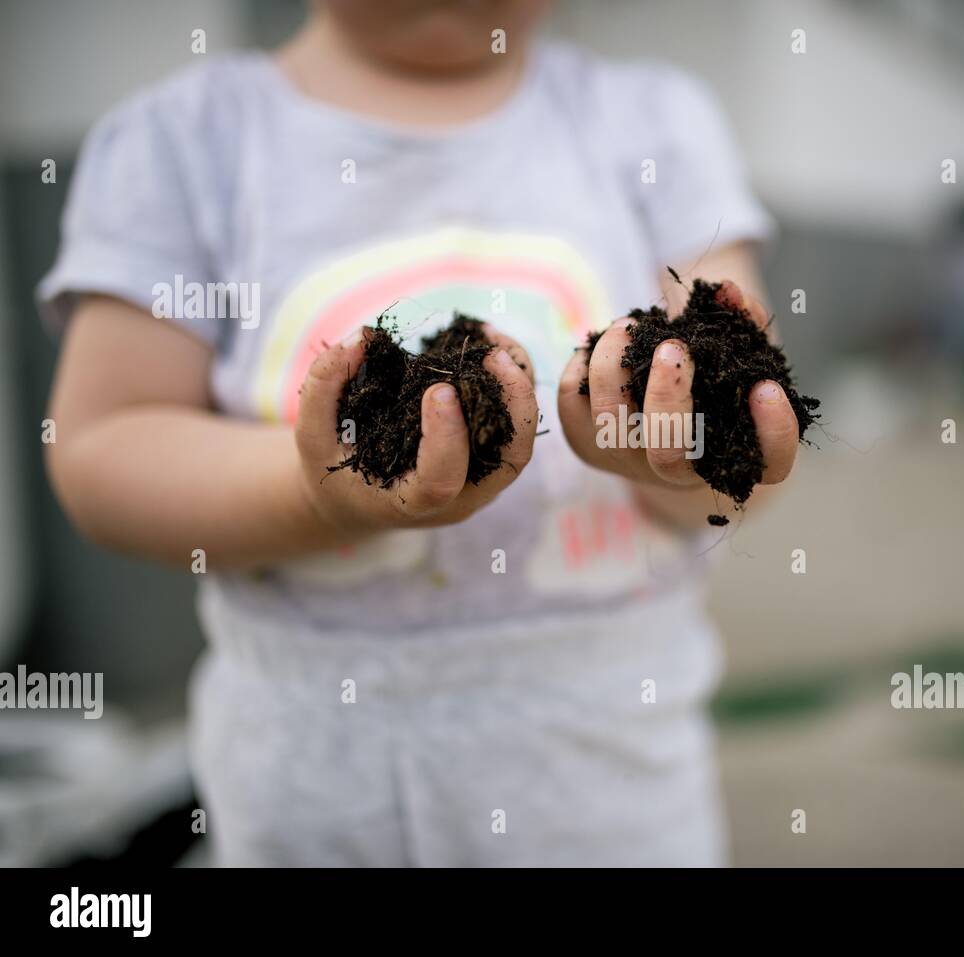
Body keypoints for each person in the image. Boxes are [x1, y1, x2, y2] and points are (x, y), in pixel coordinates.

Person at [39, 0, 801, 866]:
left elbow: (747, 445)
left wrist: (663, 449)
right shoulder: (181, 141)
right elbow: (106, 443)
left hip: (612, 791)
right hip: (312, 801)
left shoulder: (656, 125)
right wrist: (311, 493)